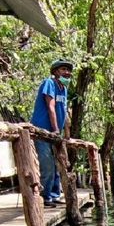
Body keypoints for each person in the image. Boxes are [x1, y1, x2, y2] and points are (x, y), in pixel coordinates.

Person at [30, 59, 73, 207]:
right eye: (63, 69)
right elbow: (51, 107)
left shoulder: (64, 89)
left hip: (56, 133)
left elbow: (64, 112)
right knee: (47, 163)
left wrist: (65, 134)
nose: (67, 72)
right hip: (43, 130)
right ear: (55, 72)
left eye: (68, 70)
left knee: (56, 164)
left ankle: (54, 195)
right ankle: (44, 196)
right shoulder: (49, 83)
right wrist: (55, 130)